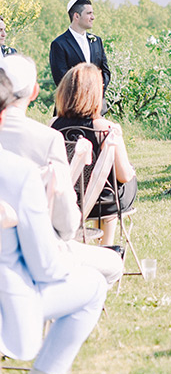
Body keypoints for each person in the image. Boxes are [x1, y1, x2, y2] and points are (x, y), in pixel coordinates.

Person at [0, 71, 108, 374]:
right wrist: (69, 264)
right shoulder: (19, 173)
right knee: (91, 286)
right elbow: (44, 265)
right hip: (6, 304)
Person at [0, 55, 123, 286]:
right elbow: (66, 225)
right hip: (37, 250)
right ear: (34, 92)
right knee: (113, 264)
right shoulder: (47, 139)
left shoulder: (53, 129)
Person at [51, 64, 137, 246]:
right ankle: (107, 245)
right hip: (102, 204)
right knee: (122, 177)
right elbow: (123, 176)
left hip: (66, 199)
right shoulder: (106, 128)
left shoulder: (53, 126)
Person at [50, 0, 111, 112]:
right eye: (89, 13)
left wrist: (97, 90)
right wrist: (84, 94)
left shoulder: (96, 41)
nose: (93, 17)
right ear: (76, 16)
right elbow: (61, 78)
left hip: (97, 107)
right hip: (70, 108)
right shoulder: (59, 44)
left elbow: (105, 71)